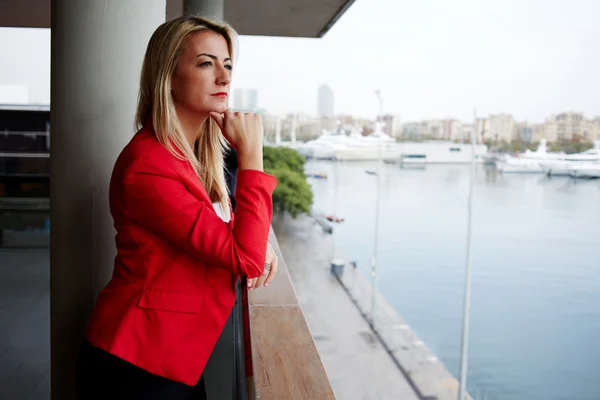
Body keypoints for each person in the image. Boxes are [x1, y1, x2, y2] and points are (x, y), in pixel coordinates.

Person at [76, 15, 279, 399]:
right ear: (168, 75)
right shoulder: (149, 167)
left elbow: (221, 229)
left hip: (173, 358)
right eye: (206, 63)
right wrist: (253, 156)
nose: (224, 77)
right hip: (136, 364)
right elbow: (246, 260)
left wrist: (256, 236)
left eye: (228, 64)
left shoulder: (190, 156)